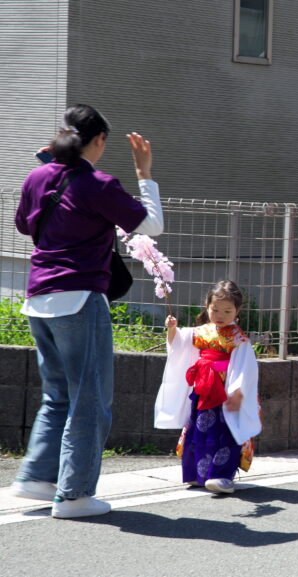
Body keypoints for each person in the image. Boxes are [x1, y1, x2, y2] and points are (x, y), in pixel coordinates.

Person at [10, 104, 163, 518]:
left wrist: (48, 165)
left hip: (38, 298)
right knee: (89, 398)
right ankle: (75, 495)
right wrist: (144, 173)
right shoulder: (98, 183)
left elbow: (24, 225)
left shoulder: (37, 177)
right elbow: (150, 225)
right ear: (98, 141)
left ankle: (36, 479)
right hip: (79, 299)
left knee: (57, 394)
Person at [154, 281, 261, 494]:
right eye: (215, 310)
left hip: (225, 390)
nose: (220, 315)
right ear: (207, 306)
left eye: (227, 311)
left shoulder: (239, 339)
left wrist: (238, 392)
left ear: (238, 311)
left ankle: (222, 475)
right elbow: (178, 345)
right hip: (203, 388)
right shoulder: (200, 331)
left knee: (225, 432)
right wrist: (172, 328)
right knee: (199, 429)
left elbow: (245, 368)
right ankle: (197, 473)